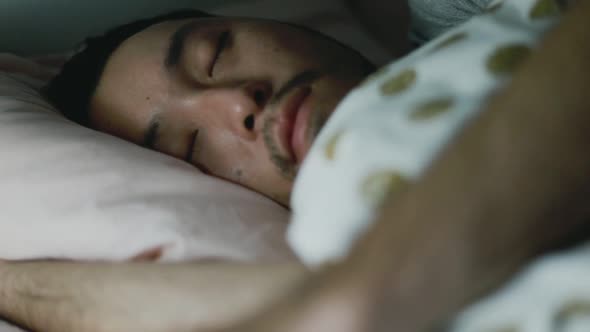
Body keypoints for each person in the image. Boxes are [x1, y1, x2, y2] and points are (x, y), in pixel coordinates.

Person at [1, 1, 590, 332]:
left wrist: (365, 293)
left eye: (215, 55)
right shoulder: (315, 255)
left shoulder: (462, 12)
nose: (237, 102)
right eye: (189, 148)